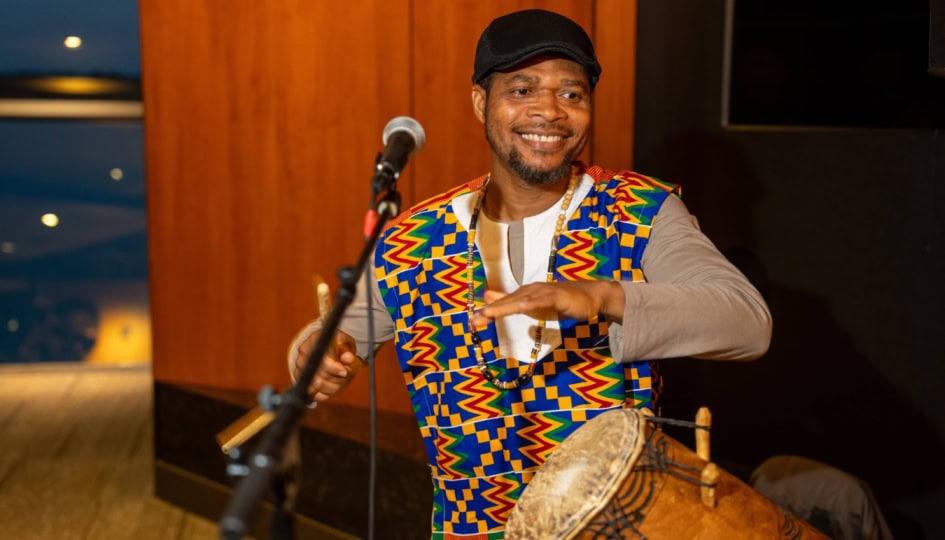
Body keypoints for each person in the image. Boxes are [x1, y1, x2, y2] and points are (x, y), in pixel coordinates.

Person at [288, 9, 771, 538]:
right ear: (481, 102)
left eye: (571, 93)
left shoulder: (637, 212)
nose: (549, 111)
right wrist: (315, 354)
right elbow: (334, 339)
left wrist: (603, 296)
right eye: (522, 90)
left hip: (618, 526)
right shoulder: (411, 240)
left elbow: (748, 324)